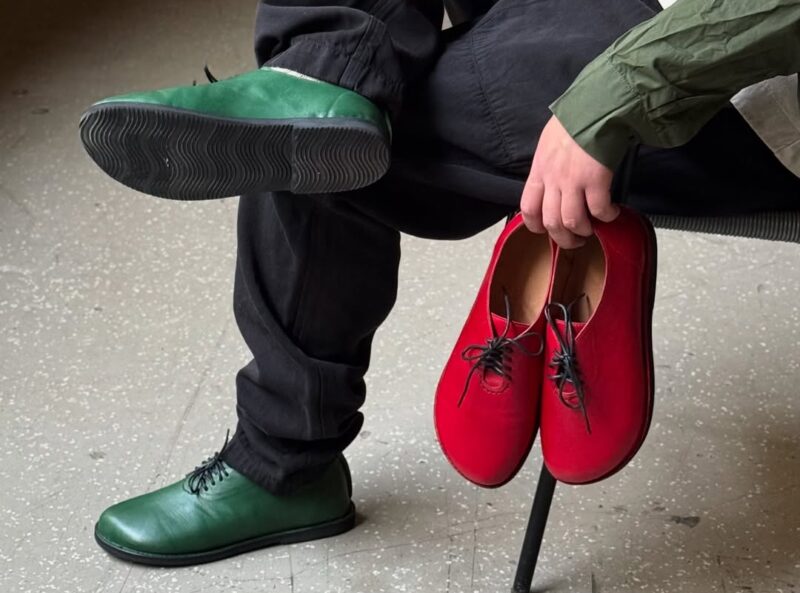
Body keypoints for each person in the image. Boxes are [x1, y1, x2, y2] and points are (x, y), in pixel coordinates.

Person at [83, 0, 800, 566]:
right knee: (318, 104)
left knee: (323, 143)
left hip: (733, 59)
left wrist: (622, 88)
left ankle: (283, 463)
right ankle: (318, 68)